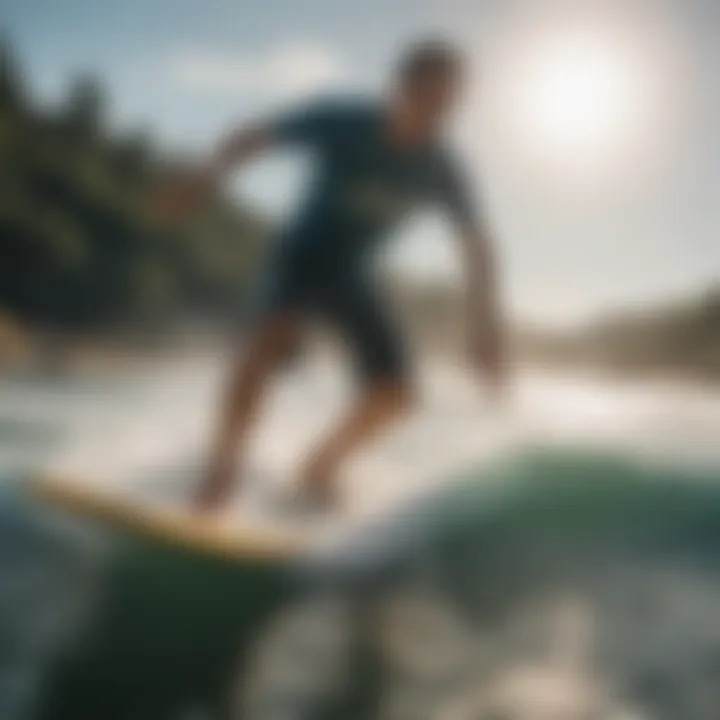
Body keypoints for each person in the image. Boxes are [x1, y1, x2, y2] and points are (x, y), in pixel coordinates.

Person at [156, 39, 508, 512]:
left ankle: (318, 469)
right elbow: (254, 137)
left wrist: (483, 329)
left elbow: (477, 247)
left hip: (351, 274)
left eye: (447, 106)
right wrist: (204, 179)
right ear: (400, 89)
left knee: (398, 395)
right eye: (428, 99)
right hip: (303, 255)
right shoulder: (343, 123)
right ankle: (219, 477)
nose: (435, 116)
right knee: (271, 339)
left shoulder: (442, 166)